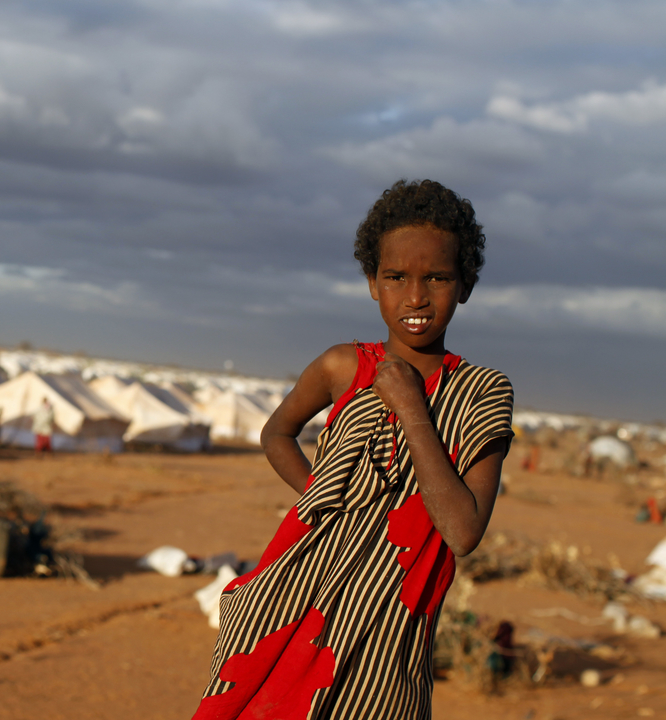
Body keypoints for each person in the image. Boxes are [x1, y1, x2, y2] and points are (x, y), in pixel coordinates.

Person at [191, 179, 514, 719]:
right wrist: (324, 495)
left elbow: (462, 532)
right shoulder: (343, 367)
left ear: (465, 285)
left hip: (391, 637)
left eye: (437, 277)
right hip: (297, 605)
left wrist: (410, 406)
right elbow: (277, 434)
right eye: (396, 278)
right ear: (372, 282)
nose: (415, 297)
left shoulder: (483, 392)